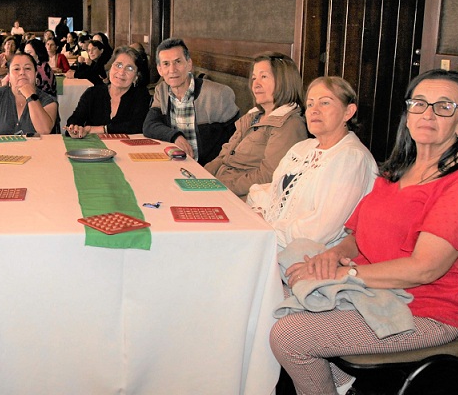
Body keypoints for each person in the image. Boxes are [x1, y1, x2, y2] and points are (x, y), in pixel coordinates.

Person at [271, 69, 458, 395]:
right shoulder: (397, 171)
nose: (427, 114)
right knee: (277, 290)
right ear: (407, 115)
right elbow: (357, 234)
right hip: (374, 292)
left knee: (290, 334)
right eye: (418, 104)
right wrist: (334, 255)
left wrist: (343, 274)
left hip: (425, 309)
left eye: (443, 106)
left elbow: (423, 270)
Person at [247, 77, 377, 250]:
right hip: (273, 240)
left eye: (324, 103)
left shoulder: (351, 158)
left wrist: (268, 228)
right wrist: (260, 217)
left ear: (348, 112)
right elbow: (269, 194)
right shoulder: (302, 148)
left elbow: (320, 230)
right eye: (309, 105)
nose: (314, 111)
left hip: (312, 258)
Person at [204, 52, 308, 198]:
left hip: (243, 200)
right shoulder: (253, 116)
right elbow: (224, 156)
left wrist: (218, 186)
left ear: (284, 81)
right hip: (220, 188)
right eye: (254, 78)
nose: (256, 84)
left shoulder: (289, 125)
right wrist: (200, 177)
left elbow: (268, 177)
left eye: (264, 77)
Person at [143, 38, 239, 165]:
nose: (172, 70)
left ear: (189, 64)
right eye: (166, 64)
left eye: (178, 62)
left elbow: (238, 140)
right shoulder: (162, 90)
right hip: (176, 165)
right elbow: (150, 125)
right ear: (160, 70)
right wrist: (175, 136)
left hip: (211, 169)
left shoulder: (218, 94)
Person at [0, 52, 57, 144]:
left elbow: (44, 130)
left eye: (27, 68)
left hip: (35, 154)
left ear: (36, 73)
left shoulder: (48, 101)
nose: (22, 73)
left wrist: (31, 96)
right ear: (8, 74)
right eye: (16, 69)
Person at [66, 46, 150, 137]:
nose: (121, 72)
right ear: (110, 68)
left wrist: (95, 129)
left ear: (136, 76)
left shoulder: (141, 95)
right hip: (94, 148)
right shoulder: (93, 93)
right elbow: (75, 120)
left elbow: (138, 126)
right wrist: (74, 129)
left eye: (129, 68)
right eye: (118, 65)